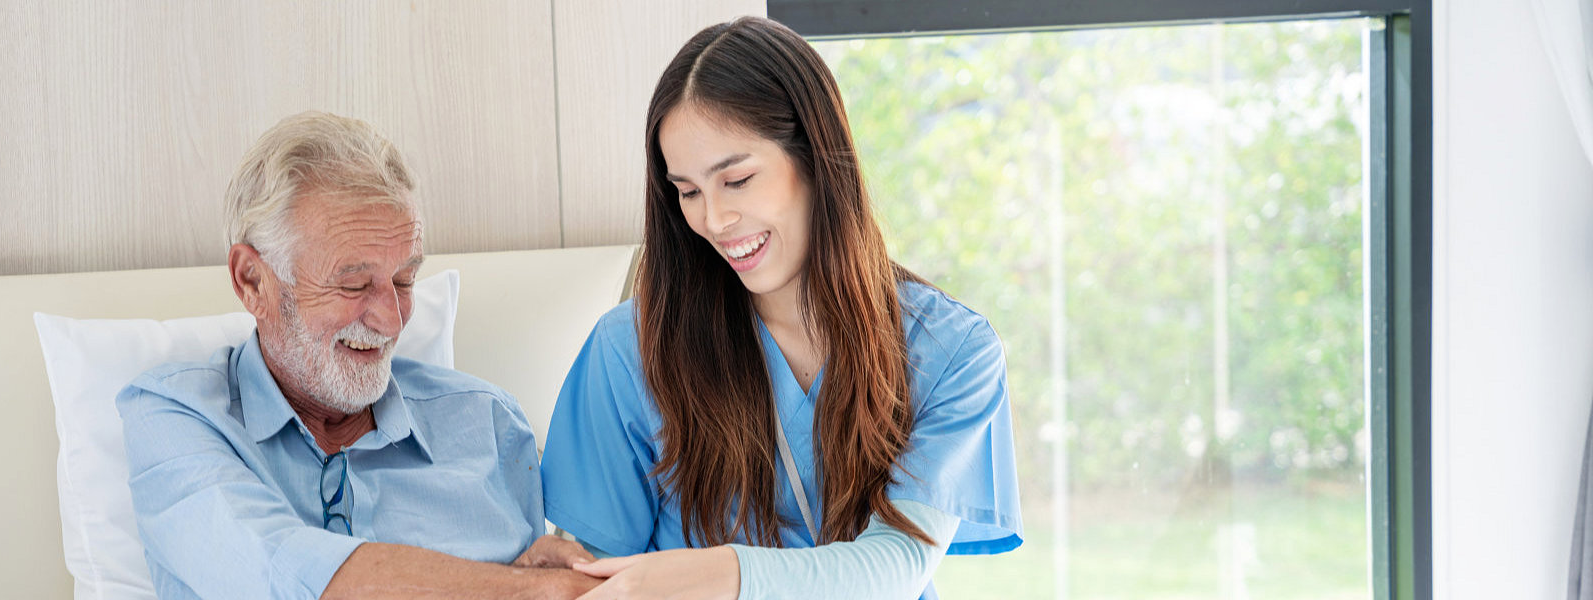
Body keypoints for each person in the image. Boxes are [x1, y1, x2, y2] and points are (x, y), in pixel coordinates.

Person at [540, 16, 1023, 600]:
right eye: (688, 191)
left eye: (737, 180)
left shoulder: (950, 350)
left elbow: (897, 565)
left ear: (815, 158)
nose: (713, 221)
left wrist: (716, 575)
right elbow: (597, 577)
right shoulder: (629, 351)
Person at [117, 111, 599, 599]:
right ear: (253, 281)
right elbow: (284, 574)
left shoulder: (488, 422)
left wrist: (524, 578)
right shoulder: (175, 416)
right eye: (353, 284)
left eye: (405, 280)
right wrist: (530, 591)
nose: (391, 320)